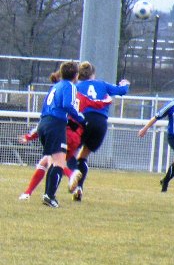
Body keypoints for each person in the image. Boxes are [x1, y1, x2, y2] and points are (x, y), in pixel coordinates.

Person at [18, 72, 112, 200]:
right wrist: (107, 99)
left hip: (63, 132)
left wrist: (30, 136)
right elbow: (98, 104)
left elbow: (51, 119)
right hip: (76, 135)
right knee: (52, 161)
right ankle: (70, 186)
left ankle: (68, 177)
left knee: (52, 162)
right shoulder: (81, 96)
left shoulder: (62, 97)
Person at [73, 61, 130, 201]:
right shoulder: (102, 84)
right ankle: (79, 187)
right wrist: (125, 83)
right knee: (84, 156)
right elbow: (122, 91)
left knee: (70, 154)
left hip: (82, 120)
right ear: (93, 74)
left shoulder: (76, 86)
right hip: (100, 123)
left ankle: (68, 180)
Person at [38, 61, 86, 208]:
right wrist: (80, 118)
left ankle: (48, 195)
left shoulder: (56, 85)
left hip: (44, 123)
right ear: (76, 75)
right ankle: (50, 196)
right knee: (59, 162)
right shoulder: (70, 86)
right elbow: (67, 105)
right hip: (55, 124)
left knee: (53, 161)